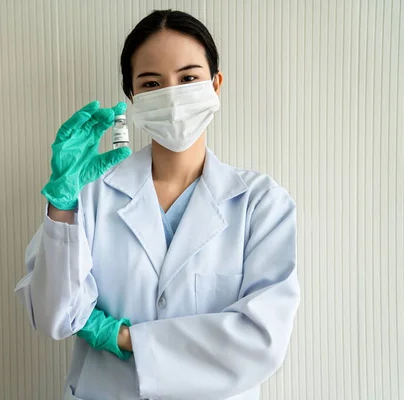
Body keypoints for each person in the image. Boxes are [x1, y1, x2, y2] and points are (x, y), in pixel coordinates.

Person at [15, 9, 299, 400]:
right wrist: (62, 206)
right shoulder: (92, 194)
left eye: (188, 79)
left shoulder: (261, 204)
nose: (172, 96)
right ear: (132, 97)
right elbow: (54, 316)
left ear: (216, 85)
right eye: (151, 83)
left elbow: (261, 340)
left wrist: (129, 338)